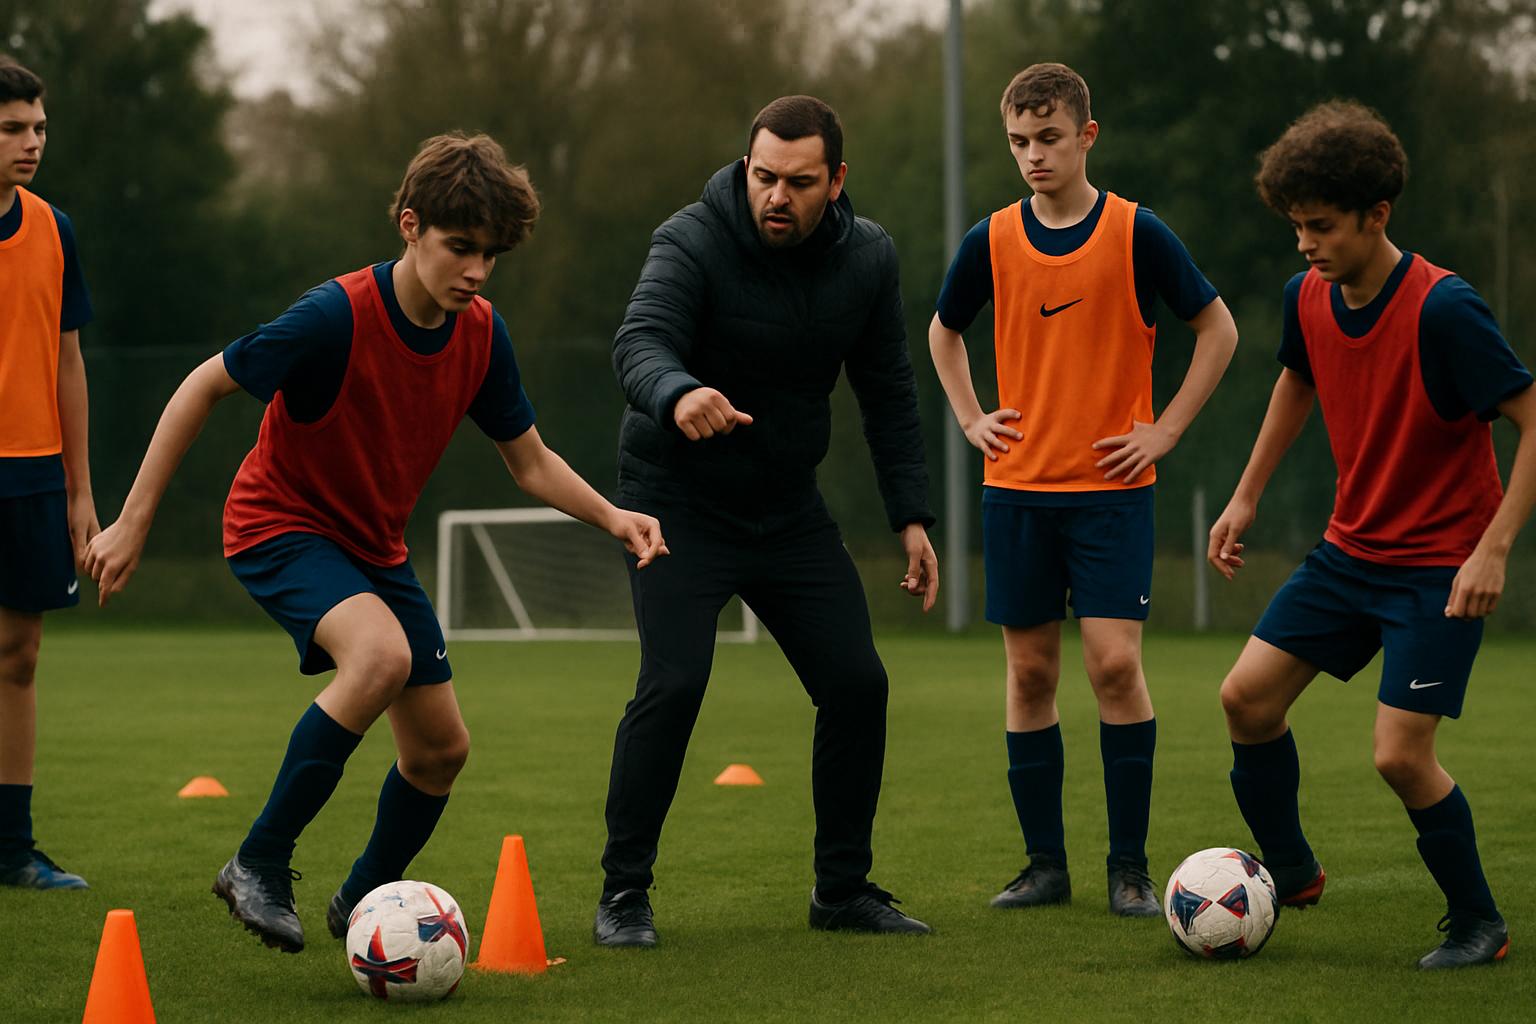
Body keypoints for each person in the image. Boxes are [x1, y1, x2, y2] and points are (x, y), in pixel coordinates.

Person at [85, 133, 666, 953]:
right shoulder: (333, 317)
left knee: (439, 751)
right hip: (278, 524)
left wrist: (615, 516)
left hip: (373, 548)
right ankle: (258, 860)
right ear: (409, 225)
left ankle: (361, 904)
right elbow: (202, 386)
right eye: (459, 248)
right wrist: (133, 518)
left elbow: (529, 461)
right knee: (381, 658)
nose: (474, 270)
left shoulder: (480, 334)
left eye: (490, 256)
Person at [595, 95, 938, 947]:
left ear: (837, 182)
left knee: (859, 684)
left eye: (799, 181)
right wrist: (680, 393)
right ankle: (624, 895)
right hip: (676, 502)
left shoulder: (868, 259)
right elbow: (639, 341)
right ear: (745, 168)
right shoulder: (691, 239)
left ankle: (842, 891)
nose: (776, 196)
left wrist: (912, 517)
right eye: (763, 176)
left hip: (786, 510)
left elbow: (890, 392)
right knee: (674, 683)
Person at [1208, 101, 1534, 969]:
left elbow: (1533, 419)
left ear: (1377, 214)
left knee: (1399, 754)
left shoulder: (1445, 309)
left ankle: (1479, 924)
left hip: (1437, 568)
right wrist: (1244, 498)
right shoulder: (1306, 293)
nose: (1305, 244)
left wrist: (1492, 549)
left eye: (1321, 227)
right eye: (1296, 227)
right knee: (1246, 699)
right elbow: (1295, 380)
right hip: (1350, 553)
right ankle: (1292, 871)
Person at [929, 63, 1237, 917]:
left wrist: (1165, 429)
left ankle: (1130, 868)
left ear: (1086, 136)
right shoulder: (990, 238)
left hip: (1110, 493)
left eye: (1049, 138)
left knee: (1113, 665)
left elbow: (1218, 329)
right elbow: (943, 331)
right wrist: (970, 420)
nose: (1033, 155)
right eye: (1020, 142)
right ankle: (1044, 868)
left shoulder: (1138, 233)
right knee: (1029, 677)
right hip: (1017, 491)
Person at [0, 55, 98, 891]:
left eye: (37, 127)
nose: (32, 143)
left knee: (20, 654)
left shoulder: (54, 228)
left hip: (31, 474)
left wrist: (80, 493)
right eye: (13, 129)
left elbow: (69, 362)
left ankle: (11, 848)